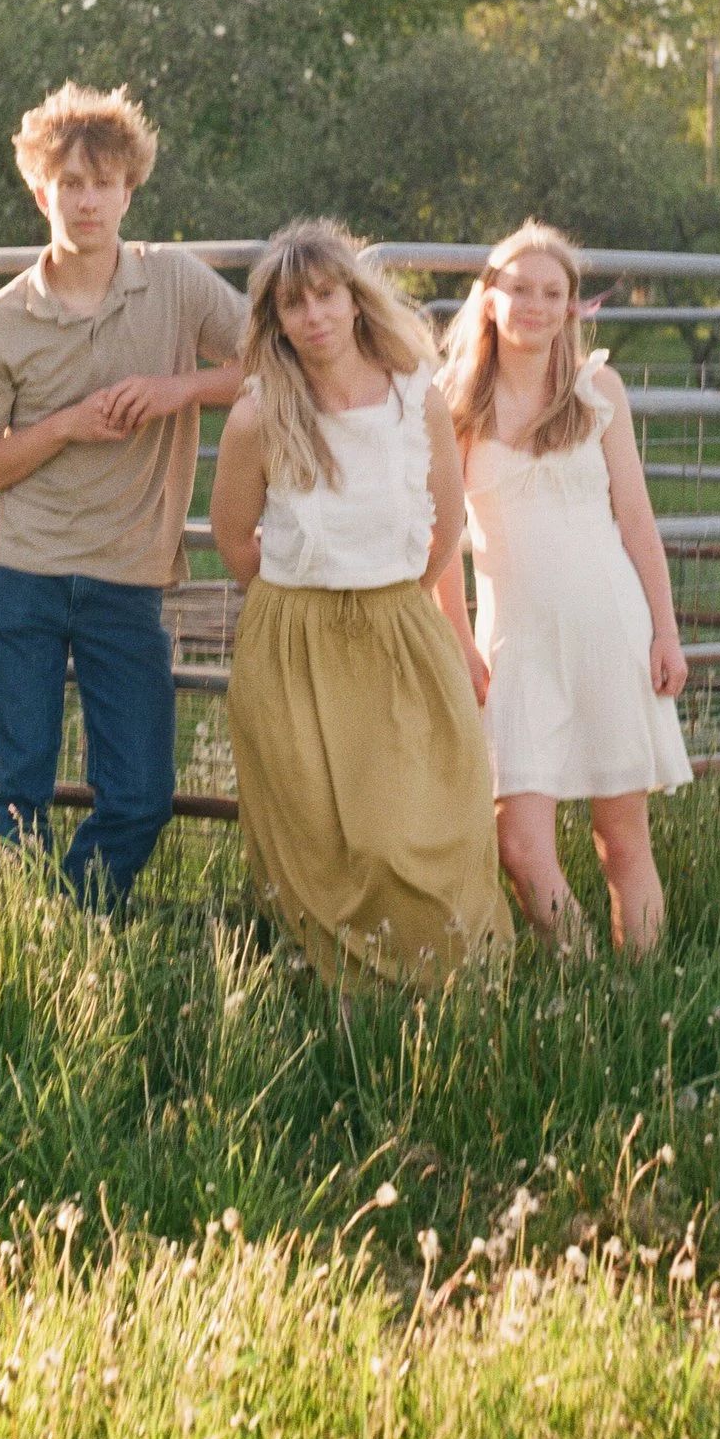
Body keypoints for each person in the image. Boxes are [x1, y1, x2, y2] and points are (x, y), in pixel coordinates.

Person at [0, 85, 246, 908]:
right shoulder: (0, 319)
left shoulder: (176, 282)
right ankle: (8, 948)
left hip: (127, 579)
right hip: (23, 573)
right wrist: (64, 425)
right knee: (15, 787)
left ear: (130, 189)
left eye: (103, 182)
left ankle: (72, 923)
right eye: (69, 183)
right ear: (41, 192)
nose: (87, 199)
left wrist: (182, 389)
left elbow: (273, 364)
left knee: (139, 794)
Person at [207, 219, 511, 988]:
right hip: (293, 638)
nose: (312, 316)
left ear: (353, 299)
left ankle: (446, 986)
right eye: (292, 304)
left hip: (396, 628)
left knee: (409, 826)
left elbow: (445, 522)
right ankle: (344, 1000)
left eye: (325, 295)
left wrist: (391, 597)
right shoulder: (259, 413)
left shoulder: (416, 400)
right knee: (316, 834)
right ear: (274, 319)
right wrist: (302, 600)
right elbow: (235, 536)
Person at [435, 219, 689, 957]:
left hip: (610, 626)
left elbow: (637, 519)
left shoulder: (595, 388)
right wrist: (459, 642)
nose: (536, 305)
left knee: (621, 838)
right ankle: (578, 968)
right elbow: (441, 541)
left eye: (554, 292)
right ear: (488, 298)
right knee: (517, 841)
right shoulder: (453, 402)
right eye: (520, 289)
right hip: (514, 643)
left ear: (574, 306)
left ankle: (638, 992)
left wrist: (665, 630)